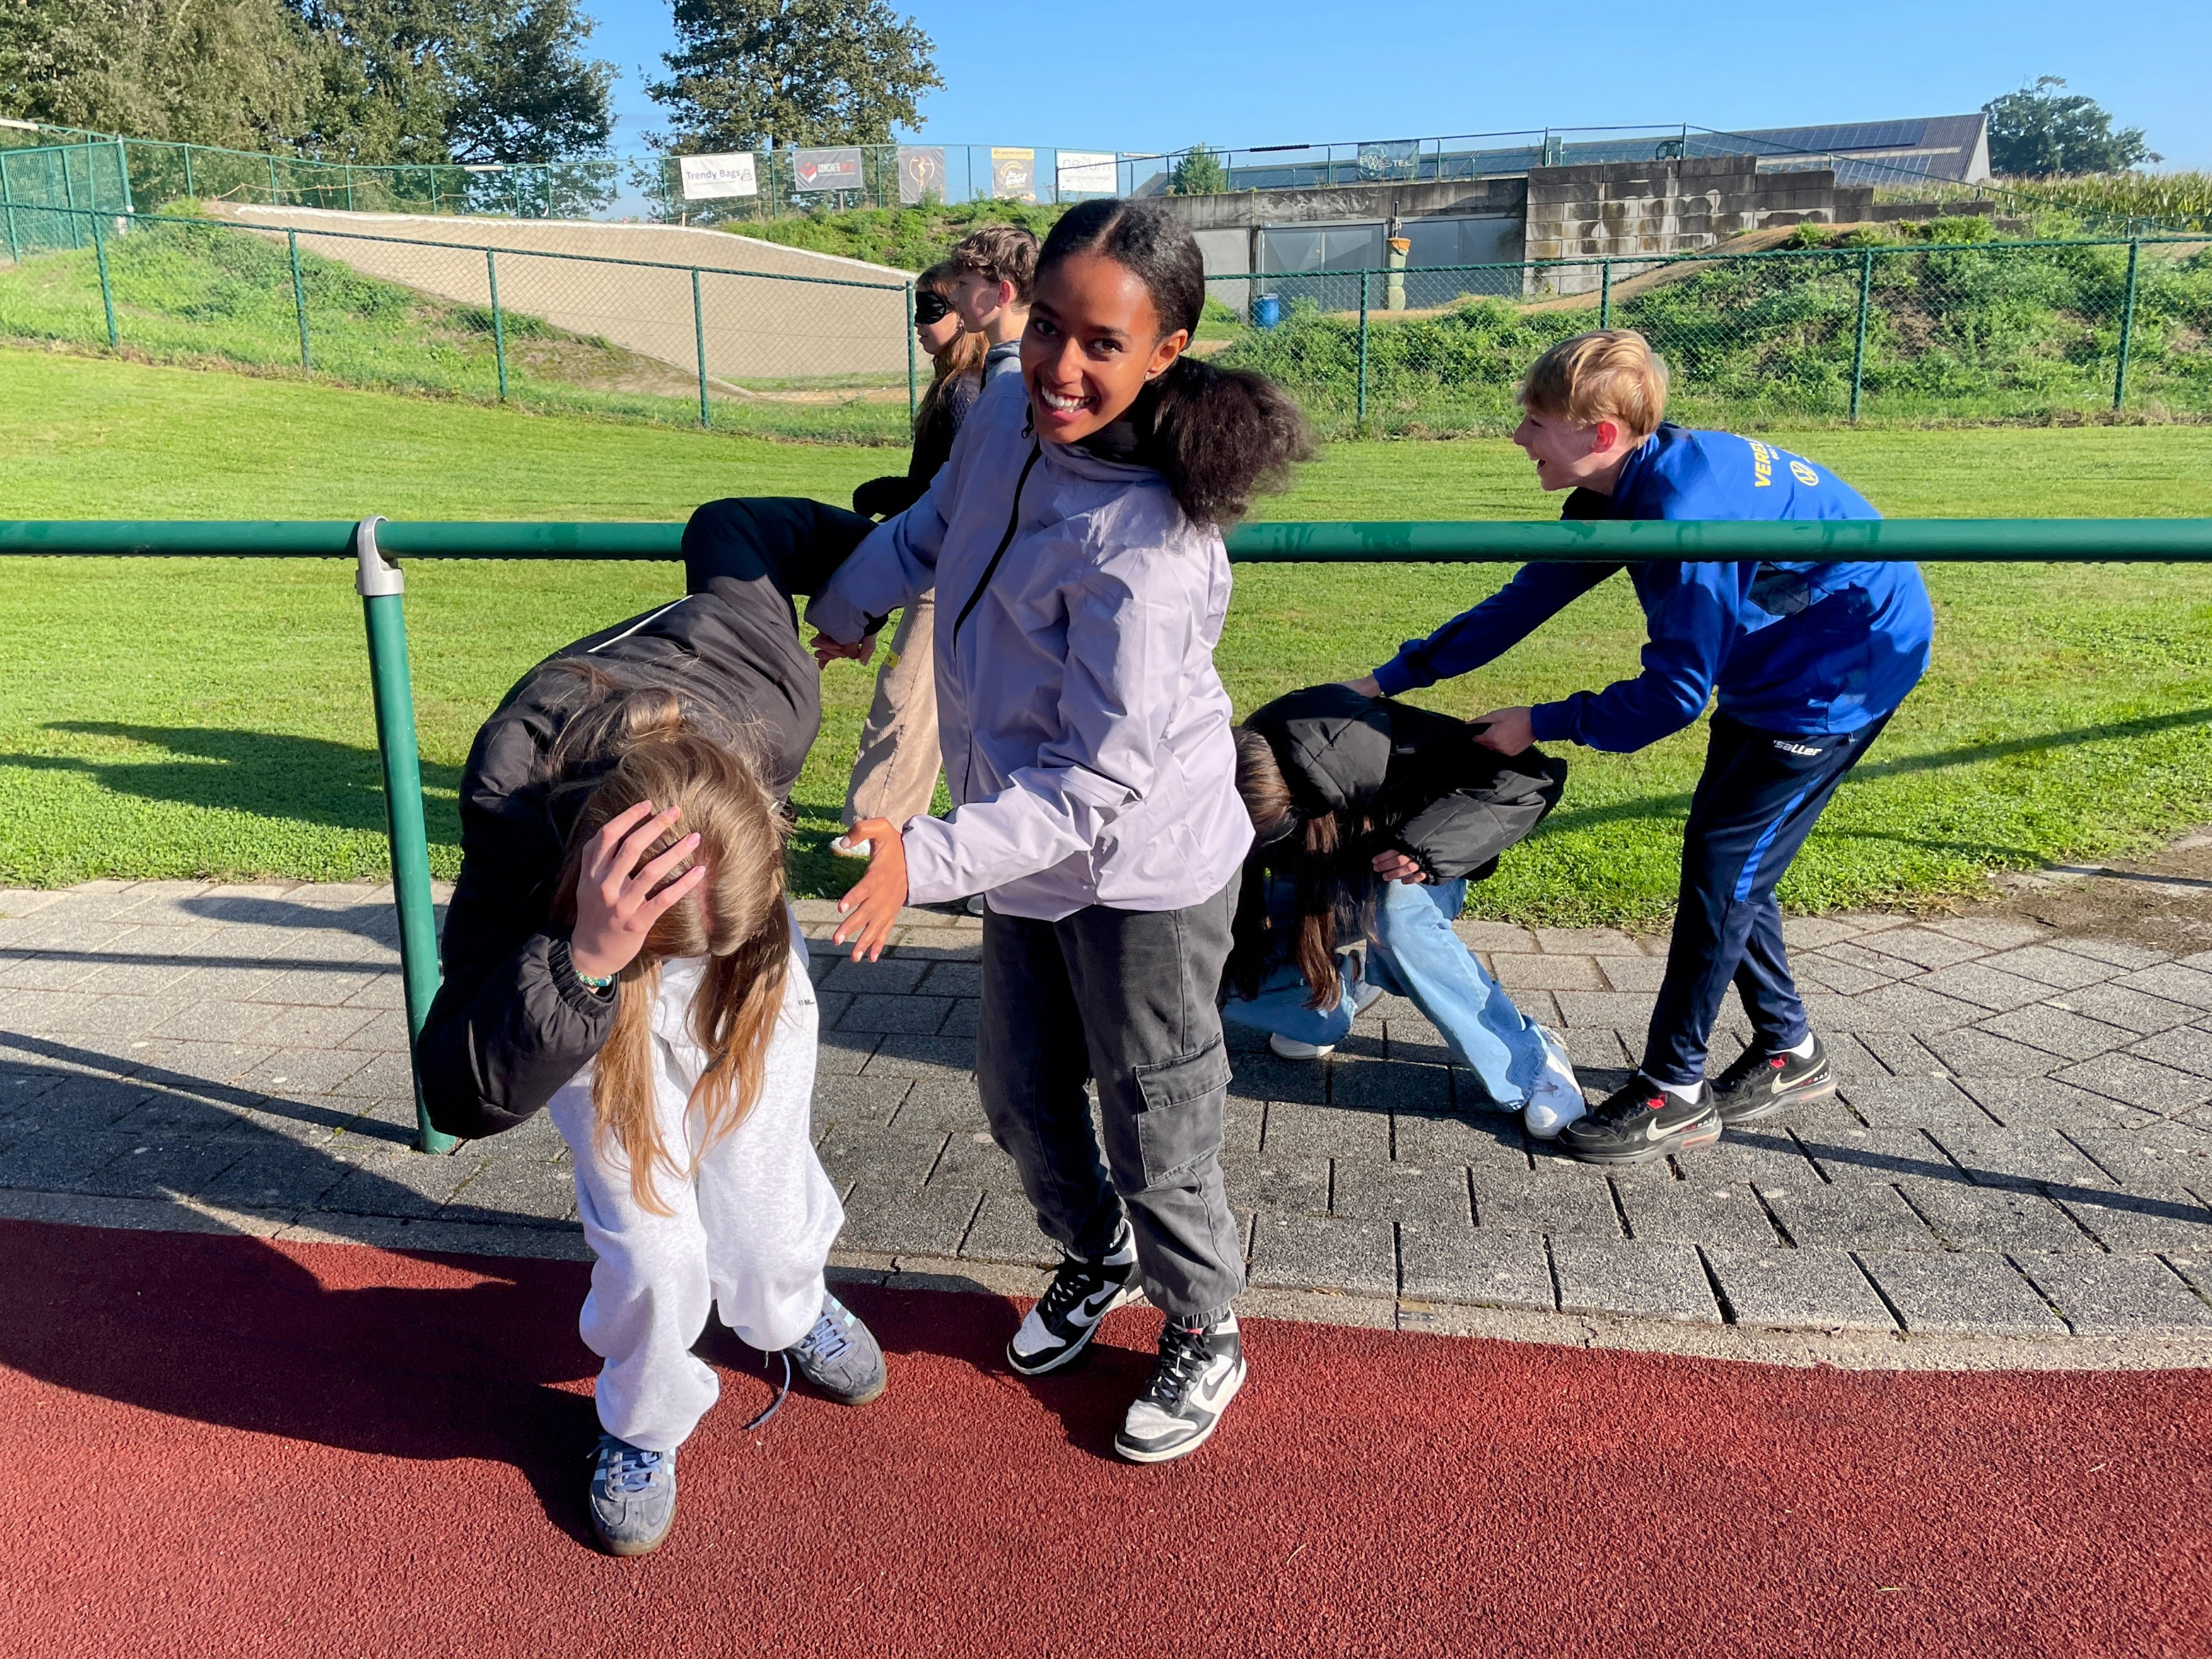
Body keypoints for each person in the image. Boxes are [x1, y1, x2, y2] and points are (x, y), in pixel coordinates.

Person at [805, 199, 1311, 1464]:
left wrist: (923, 854)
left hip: (1143, 868)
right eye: (1047, 330)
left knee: (1154, 1110)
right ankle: (1094, 1254)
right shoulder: (1000, 414)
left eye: (1102, 345)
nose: (1060, 368)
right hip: (1022, 848)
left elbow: (1097, 779)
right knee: (1020, 1091)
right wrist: (853, 598)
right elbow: (936, 528)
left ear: (1167, 352)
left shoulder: (1153, 544)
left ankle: (1204, 1321)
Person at [418, 499, 889, 1556]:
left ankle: (787, 1305)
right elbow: (457, 1086)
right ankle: (643, 1421)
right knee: (656, 1248)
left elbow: (732, 527)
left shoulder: (771, 688)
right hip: (591, 972)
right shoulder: (516, 813)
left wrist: (878, 571)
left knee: (761, 1204)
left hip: (746, 944)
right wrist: (586, 962)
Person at [1344, 329, 1933, 1167]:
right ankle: (1789, 1050)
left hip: (1839, 674)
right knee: (1729, 862)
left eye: (1535, 422)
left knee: (1726, 874)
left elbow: (1672, 697)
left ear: (1601, 434)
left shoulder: (1683, 518)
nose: (1517, 436)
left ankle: (1674, 1092)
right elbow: (1523, 601)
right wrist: (1387, 680)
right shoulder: (1619, 488)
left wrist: (1540, 721)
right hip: (1783, 661)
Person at [1224, 684, 1588, 1139]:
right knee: (1207, 936)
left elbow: (1531, 777)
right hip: (1332, 877)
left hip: (1420, 869)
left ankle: (1531, 1061)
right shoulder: (1237, 769)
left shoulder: (1368, 744)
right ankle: (1333, 991)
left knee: (1396, 917)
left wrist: (1426, 848)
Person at [843, 260, 989, 833]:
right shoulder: (952, 387)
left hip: (946, 568)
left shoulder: (965, 392)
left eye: (930, 309)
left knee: (904, 695)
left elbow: (957, 490)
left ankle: (874, 826)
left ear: (964, 314)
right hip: (937, 559)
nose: (918, 323)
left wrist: (891, 494)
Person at [945, 222, 1037, 387]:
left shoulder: (1010, 377)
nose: (953, 298)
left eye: (963, 285)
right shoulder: (1020, 364)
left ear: (1003, 294)